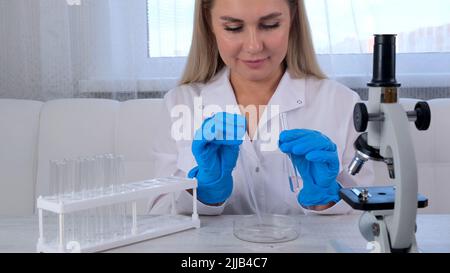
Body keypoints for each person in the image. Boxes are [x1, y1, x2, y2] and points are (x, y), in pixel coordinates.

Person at [151, 0, 374, 216]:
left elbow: (367, 223)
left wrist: (326, 200)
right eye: (233, 28)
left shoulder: (341, 103)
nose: (254, 46)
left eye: (270, 25)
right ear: (209, 25)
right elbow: (156, 218)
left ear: (292, 18)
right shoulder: (179, 104)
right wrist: (203, 195)